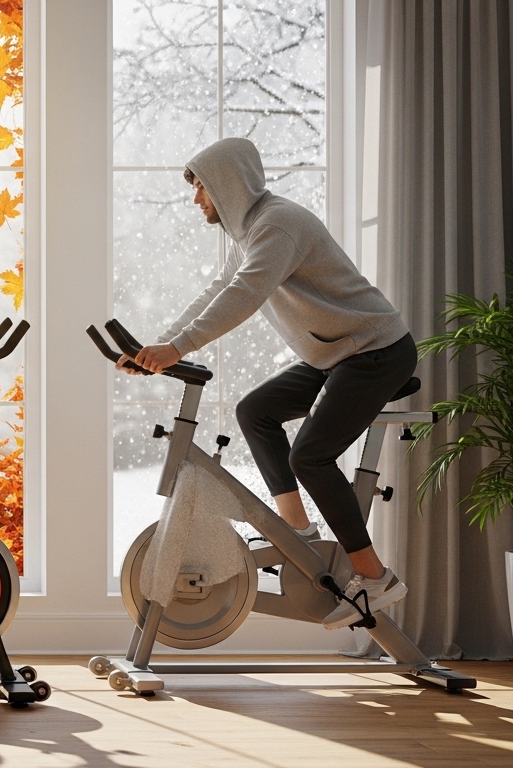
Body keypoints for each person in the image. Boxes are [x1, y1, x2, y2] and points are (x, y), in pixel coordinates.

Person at [120, 137, 414, 629]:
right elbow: (218, 289)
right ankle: (296, 529)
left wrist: (178, 348)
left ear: (227, 185)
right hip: (336, 353)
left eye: (202, 190)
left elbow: (245, 294)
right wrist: (160, 346)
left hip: (375, 350)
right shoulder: (253, 231)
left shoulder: (278, 224)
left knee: (310, 457)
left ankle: (375, 576)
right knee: (255, 411)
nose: (197, 200)